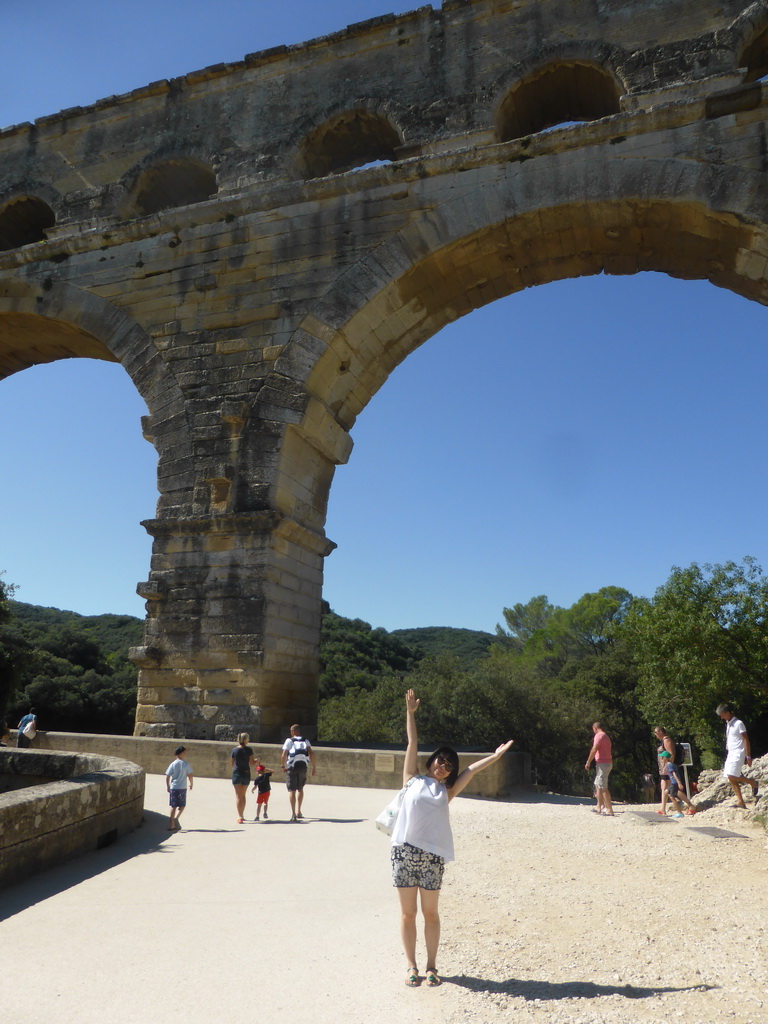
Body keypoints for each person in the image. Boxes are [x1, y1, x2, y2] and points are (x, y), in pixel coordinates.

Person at [392, 689, 513, 988]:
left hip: (432, 857)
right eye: (440, 760)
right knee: (408, 914)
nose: (442, 765)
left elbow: (471, 769)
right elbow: (412, 742)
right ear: (431, 761)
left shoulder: (446, 791)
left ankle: (432, 966)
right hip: (404, 853)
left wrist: (495, 757)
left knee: (430, 913)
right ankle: (411, 966)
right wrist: (410, 713)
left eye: (448, 764)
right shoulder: (413, 778)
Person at [716, 703, 759, 808]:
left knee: (732, 775)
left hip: (738, 753)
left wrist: (748, 756)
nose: (721, 717)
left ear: (727, 713)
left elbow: (746, 739)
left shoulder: (739, 723)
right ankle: (740, 801)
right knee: (731, 778)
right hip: (731, 753)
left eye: (722, 714)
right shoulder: (728, 724)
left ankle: (753, 783)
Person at [654, 726, 696, 815]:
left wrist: (669, 766)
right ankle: (665, 808)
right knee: (666, 789)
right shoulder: (664, 741)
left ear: (661, 731)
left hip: (667, 769)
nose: (655, 734)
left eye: (656, 732)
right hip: (665, 769)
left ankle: (683, 805)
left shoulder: (667, 741)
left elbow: (671, 754)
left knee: (670, 789)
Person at [281, 724, 316, 821]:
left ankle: (293, 814)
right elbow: (311, 753)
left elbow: (284, 754)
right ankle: (299, 811)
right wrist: (314, 767)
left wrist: (283, 766)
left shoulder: (289, 741)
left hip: (292, 766)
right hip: (303, 766)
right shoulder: (306, 740)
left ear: (292, 732)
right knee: (300, 788)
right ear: (299, 731)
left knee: (292, 790)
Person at [584, 721, 613, 816]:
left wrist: (588, 761)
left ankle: (609, 809)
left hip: (603, 764)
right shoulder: (606, 736)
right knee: (598, 785)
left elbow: (594, 749)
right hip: (605, 763)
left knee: (603, 786)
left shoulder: (599, 735)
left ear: (595, 728)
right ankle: (599, 806)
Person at [165, 745, 194, 830]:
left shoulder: (173, 764)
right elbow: (190, 775)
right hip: (182, 788)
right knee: (182, 805)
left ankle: (171, 824)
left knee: (173, 806)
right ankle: (176, 818)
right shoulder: (186, 764)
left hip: (174, 787)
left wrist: (168, 786)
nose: (186, 754)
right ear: (181, 753)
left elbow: (167, 776)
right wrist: (191, 784)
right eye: (185, 753)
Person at [231, 732, 257, 823]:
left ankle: (239, 816)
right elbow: (252, 763)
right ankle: (242, 815)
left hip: (237, 773)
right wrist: (257, 761)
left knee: (238, 795)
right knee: (243, 795)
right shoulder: (249, 750)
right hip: (246, 773)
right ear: (246, 739)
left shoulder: (234, 750)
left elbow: (232, 763)